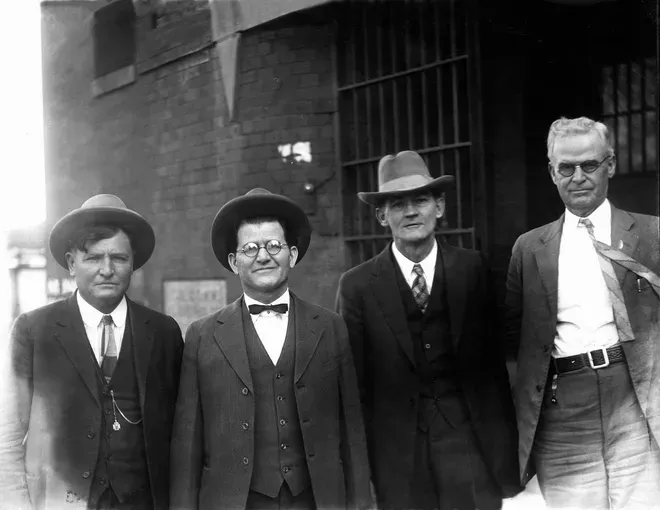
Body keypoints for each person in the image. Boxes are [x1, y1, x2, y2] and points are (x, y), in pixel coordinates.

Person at [336, 151, 520, 510]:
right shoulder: (357, 286)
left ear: (439, 207)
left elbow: (503, 360)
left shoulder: (474, 269)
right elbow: (352, 384)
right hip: (398, 457)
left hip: (471, 446)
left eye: (420, 200)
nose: (411, 212)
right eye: (397, 204)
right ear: (381, 216)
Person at [169, 188, 371, 510]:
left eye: (274, 245)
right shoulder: (202, 335)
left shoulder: (330, 327)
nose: (263, 256)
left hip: (314, 500)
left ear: (291, 255)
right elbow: (187, 444)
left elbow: (352, 433)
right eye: (250, 248)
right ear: (234, 262)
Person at [505, 116, 660, 508]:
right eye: (566, 168)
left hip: (636, 397)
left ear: (610, 165)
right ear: (551, 173)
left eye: (589, 165)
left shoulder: (652, 234)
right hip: (563, 406)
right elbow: (513, 337)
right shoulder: (529, 248)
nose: (578, 177)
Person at [0, 194, 184, 509]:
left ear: (133, 263)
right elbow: (7, 440)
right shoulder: (34, 330)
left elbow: (180, 436)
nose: (107, 270)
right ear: (72, 263)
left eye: (119, 258)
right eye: (94, 258)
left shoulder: (163, 331)